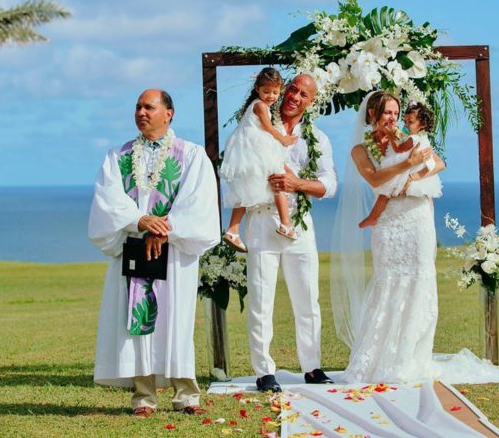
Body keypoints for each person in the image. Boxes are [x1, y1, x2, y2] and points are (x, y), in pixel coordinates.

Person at [88, 89, 220, 417]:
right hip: (134, 247)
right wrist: (139, 220)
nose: (142, 112)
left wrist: (165, 229)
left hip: (173, 252)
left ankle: (186, 395)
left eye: (149, 106)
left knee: (176, 319)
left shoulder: (190, 154)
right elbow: (109, 199)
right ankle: (144, 397)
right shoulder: (117, 156)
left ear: (169, 113)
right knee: (136, 322)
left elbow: (198, 200)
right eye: (138, 107)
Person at [330, 90, 439, 384]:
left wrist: (416, 175)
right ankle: (381, 358)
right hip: (389, 220)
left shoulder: (408, 136)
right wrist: (408, 163)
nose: (392, 118)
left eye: (396, 112)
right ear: (372, 115)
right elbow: (376, 179)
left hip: (417, 215)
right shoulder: (360, 149)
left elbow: (436, 164)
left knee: (420, 277)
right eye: (387, 112)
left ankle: (413, 357)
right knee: (388, 280)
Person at [245, 73, 337, 392]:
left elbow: (330, 184)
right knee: (261, 296)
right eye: (293, 89)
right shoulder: (257, 123)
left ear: (311, 102)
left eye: (303, 94)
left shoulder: (318, 138)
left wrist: (297, 184)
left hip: (300, 222)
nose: (295, 97)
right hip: (262, 220)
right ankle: (264, 371)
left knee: (307, 297)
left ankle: (311, 366)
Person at [219, 67, 298, 253]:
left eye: (275, 92)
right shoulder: (260, 106)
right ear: (257, 89)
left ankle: (233, 230)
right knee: (277, 180)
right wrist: (284, 140)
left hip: (249, 152)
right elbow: (269, 128)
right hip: (257, 150)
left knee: (245, 191)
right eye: (266, 91)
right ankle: (285, 224)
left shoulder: (256, 105)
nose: (271, 96)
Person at [359, 101, 445, 228]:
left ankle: (372, 217)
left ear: (422, 124)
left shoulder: (414, 139)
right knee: (385, 194)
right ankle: (372, 217)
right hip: (404, 174)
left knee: (385, 193)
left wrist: (414, 176)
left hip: (406, 177)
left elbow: (399, 149)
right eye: (405, 122)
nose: (405, 125)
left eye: (410, 122)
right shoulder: (419, 138)